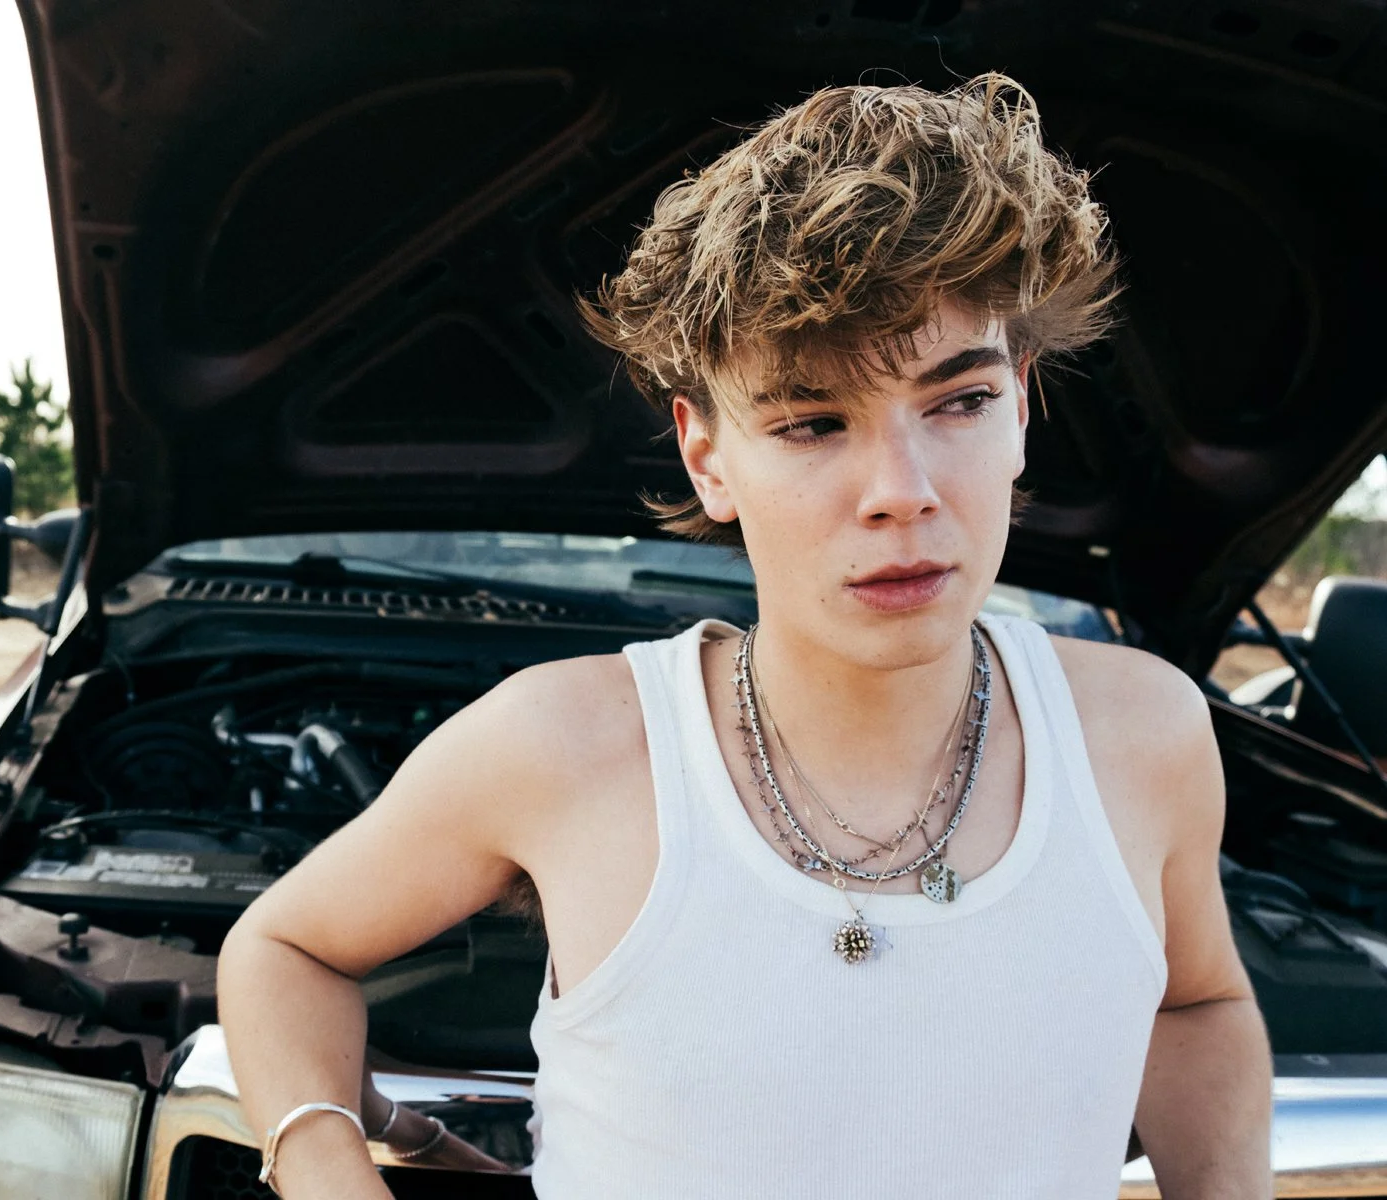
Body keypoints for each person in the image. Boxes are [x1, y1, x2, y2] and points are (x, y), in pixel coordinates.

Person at [217, 72, 1272, 1198]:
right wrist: (328, 1161)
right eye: (813, 422)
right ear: (706, 453)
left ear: (1023, 404)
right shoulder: (562, 746)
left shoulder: (1143, 730)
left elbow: (1195, 1000)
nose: (901, 492)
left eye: (957, 401)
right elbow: (285, 952)